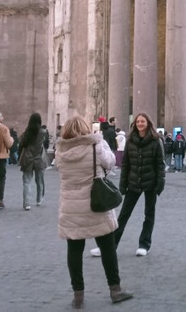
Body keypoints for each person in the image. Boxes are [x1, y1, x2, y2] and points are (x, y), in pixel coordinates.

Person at [56, 115, 132, 308]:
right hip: (95, 203)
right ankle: (115, 290)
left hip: (72, 206)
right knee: (108, 249)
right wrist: (102, 142)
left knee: (74, 251)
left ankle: (78, 295)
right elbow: (112, 162)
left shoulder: (60, 151)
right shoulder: (95, 146)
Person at [91, 112, 165, 258]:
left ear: (148, 123)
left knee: (149, 215)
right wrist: (122, 184)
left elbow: (160, 164)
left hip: (150, 182)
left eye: (143, 121)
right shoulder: (130, 140)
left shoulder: (156, 140)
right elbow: (126, 164)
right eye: (138, 122)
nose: (140, 124)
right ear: (135, 124)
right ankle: (110, 245)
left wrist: (160, 184)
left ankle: (144, 244)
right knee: (123, 215)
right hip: (133, 181)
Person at [18, 112, 49, 211]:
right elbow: (47, 145)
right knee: (40, 181)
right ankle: (39, 199)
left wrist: (19, 157)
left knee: (27, 181)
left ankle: (26, 203)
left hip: (28, 158)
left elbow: (21, 144)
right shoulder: (43, 132)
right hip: (39, 158)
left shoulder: (26, 132)